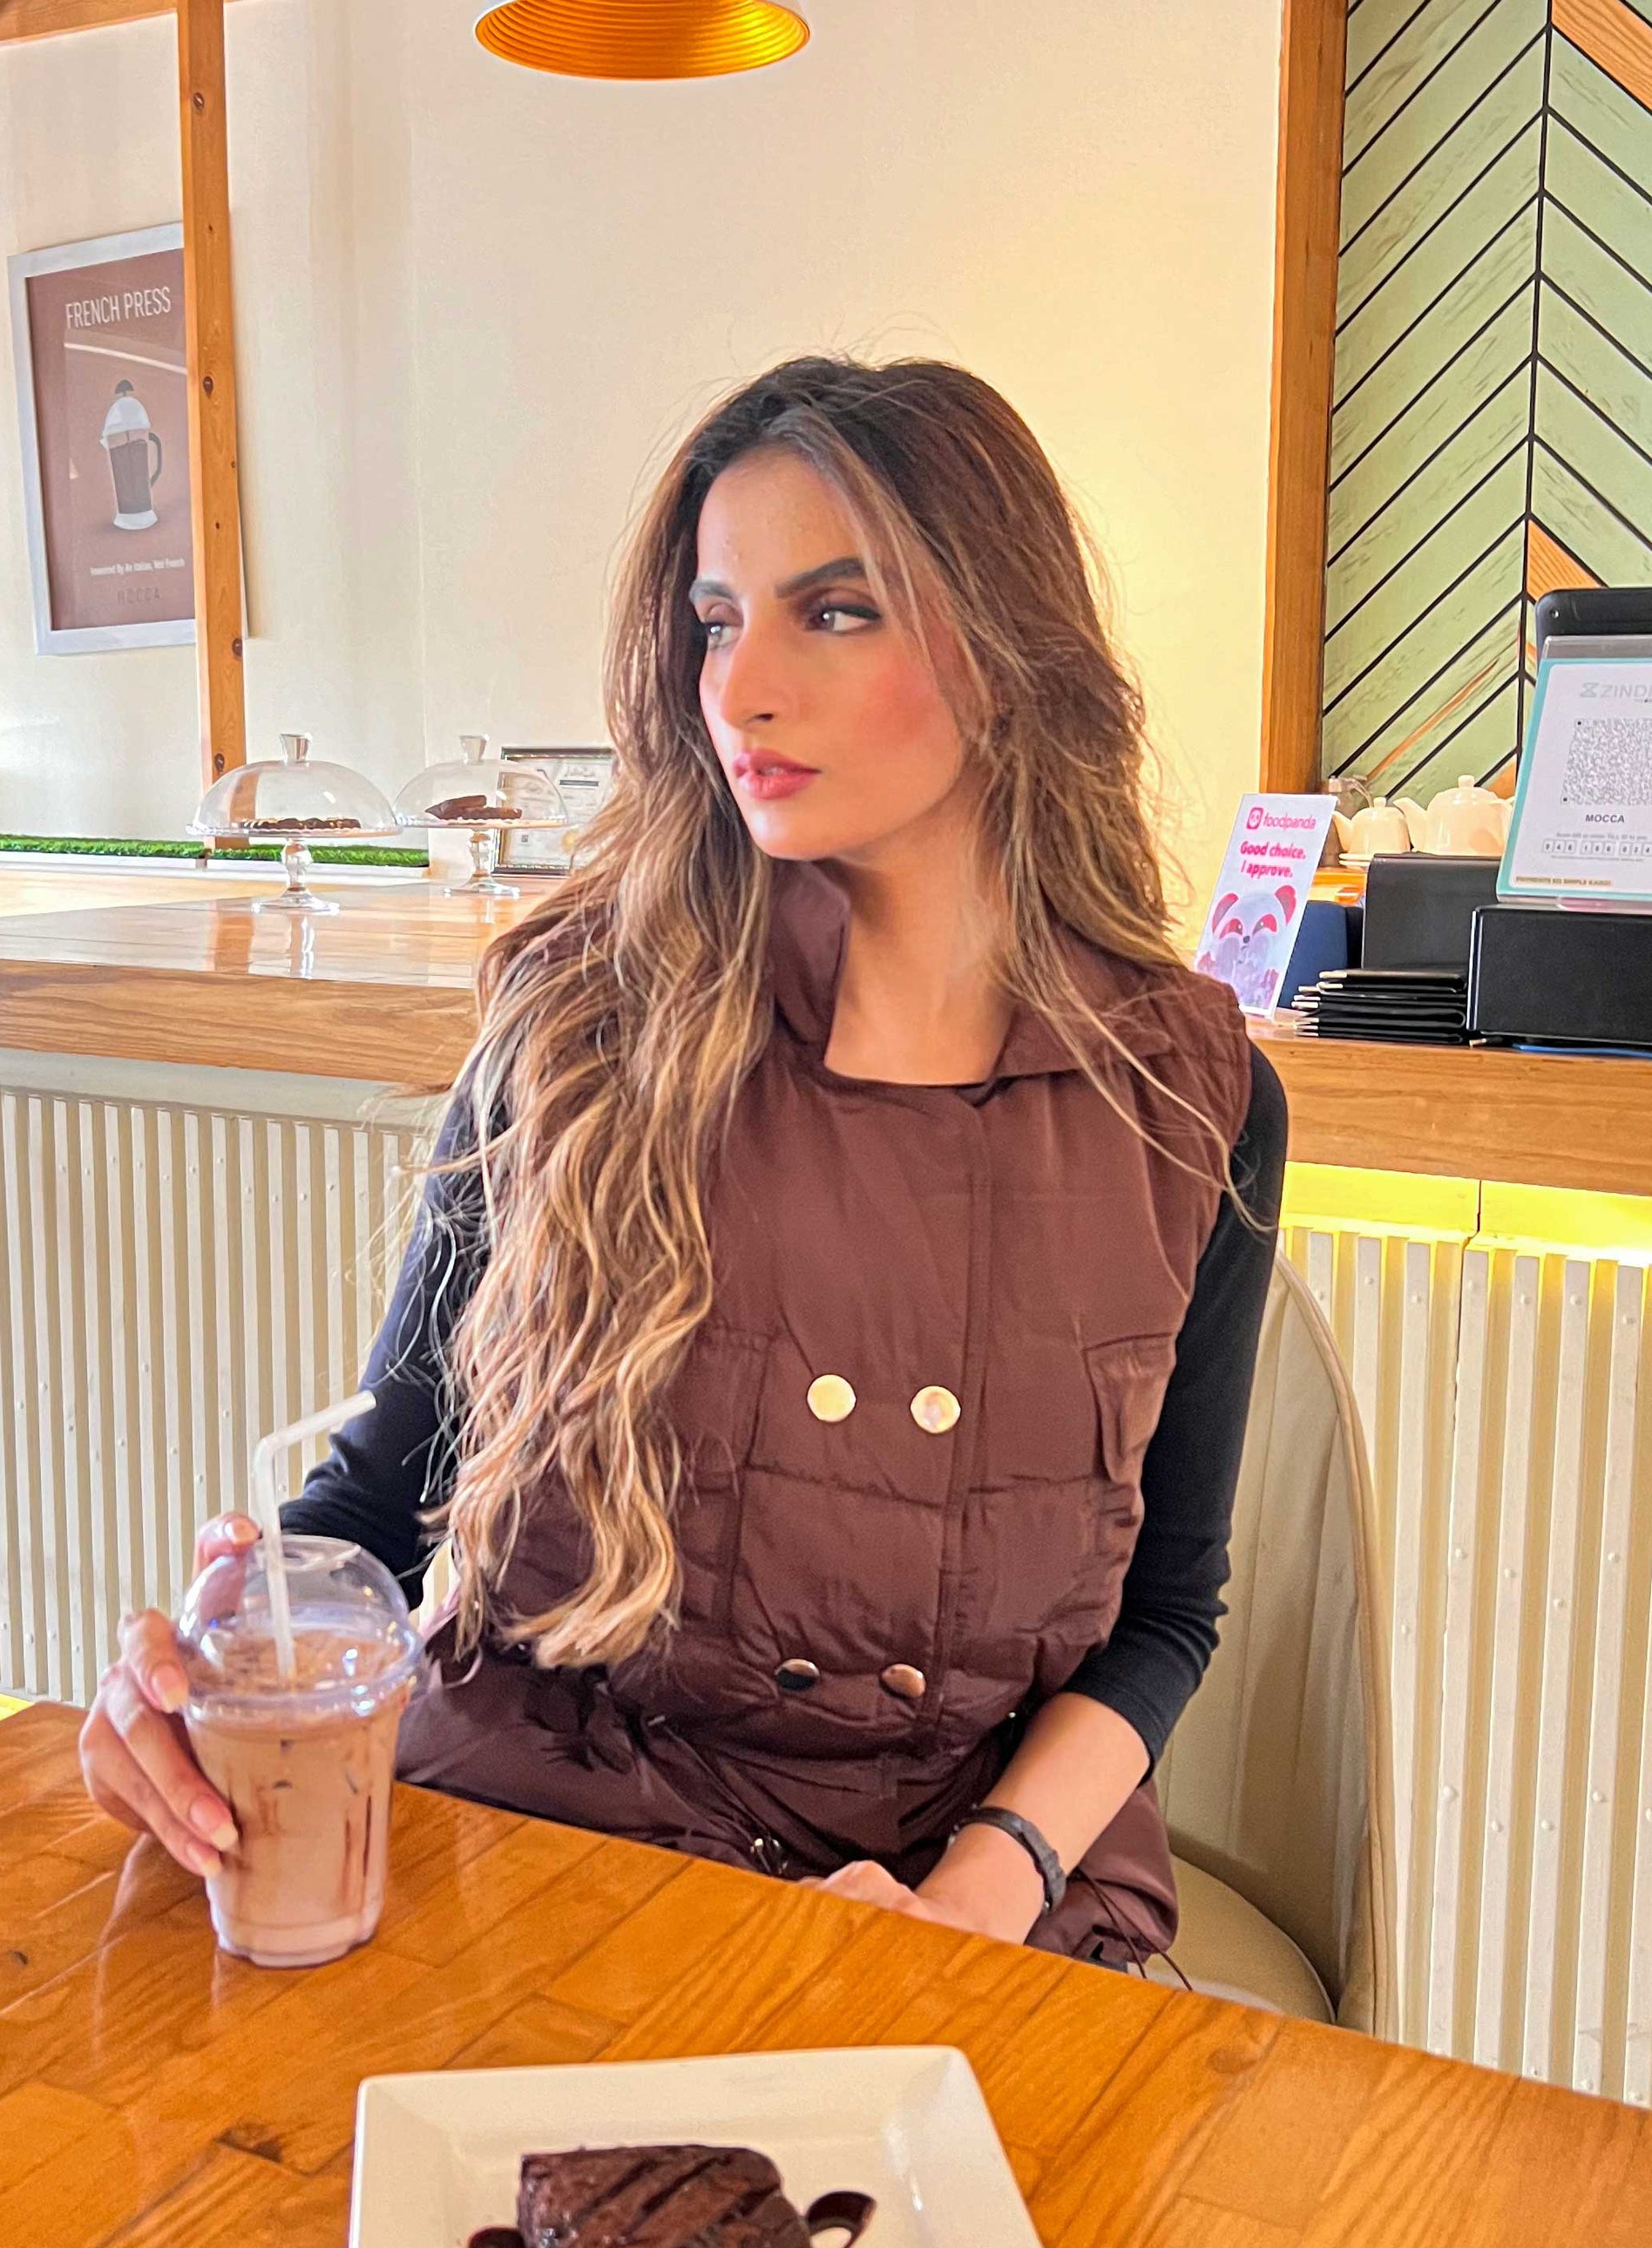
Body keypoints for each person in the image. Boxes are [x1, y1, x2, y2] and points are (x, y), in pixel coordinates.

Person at [80, 355, 1284, 1967]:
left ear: (1007, 655)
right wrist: (214, 1661)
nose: (742, 688)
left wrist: (978, 1892)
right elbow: (383, 1488)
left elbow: (1165, 1612)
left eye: (834, 612)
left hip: (968, 1880)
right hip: (548, 1833)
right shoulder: (580, 1026)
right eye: (717, 622)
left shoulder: (1186, 1092)